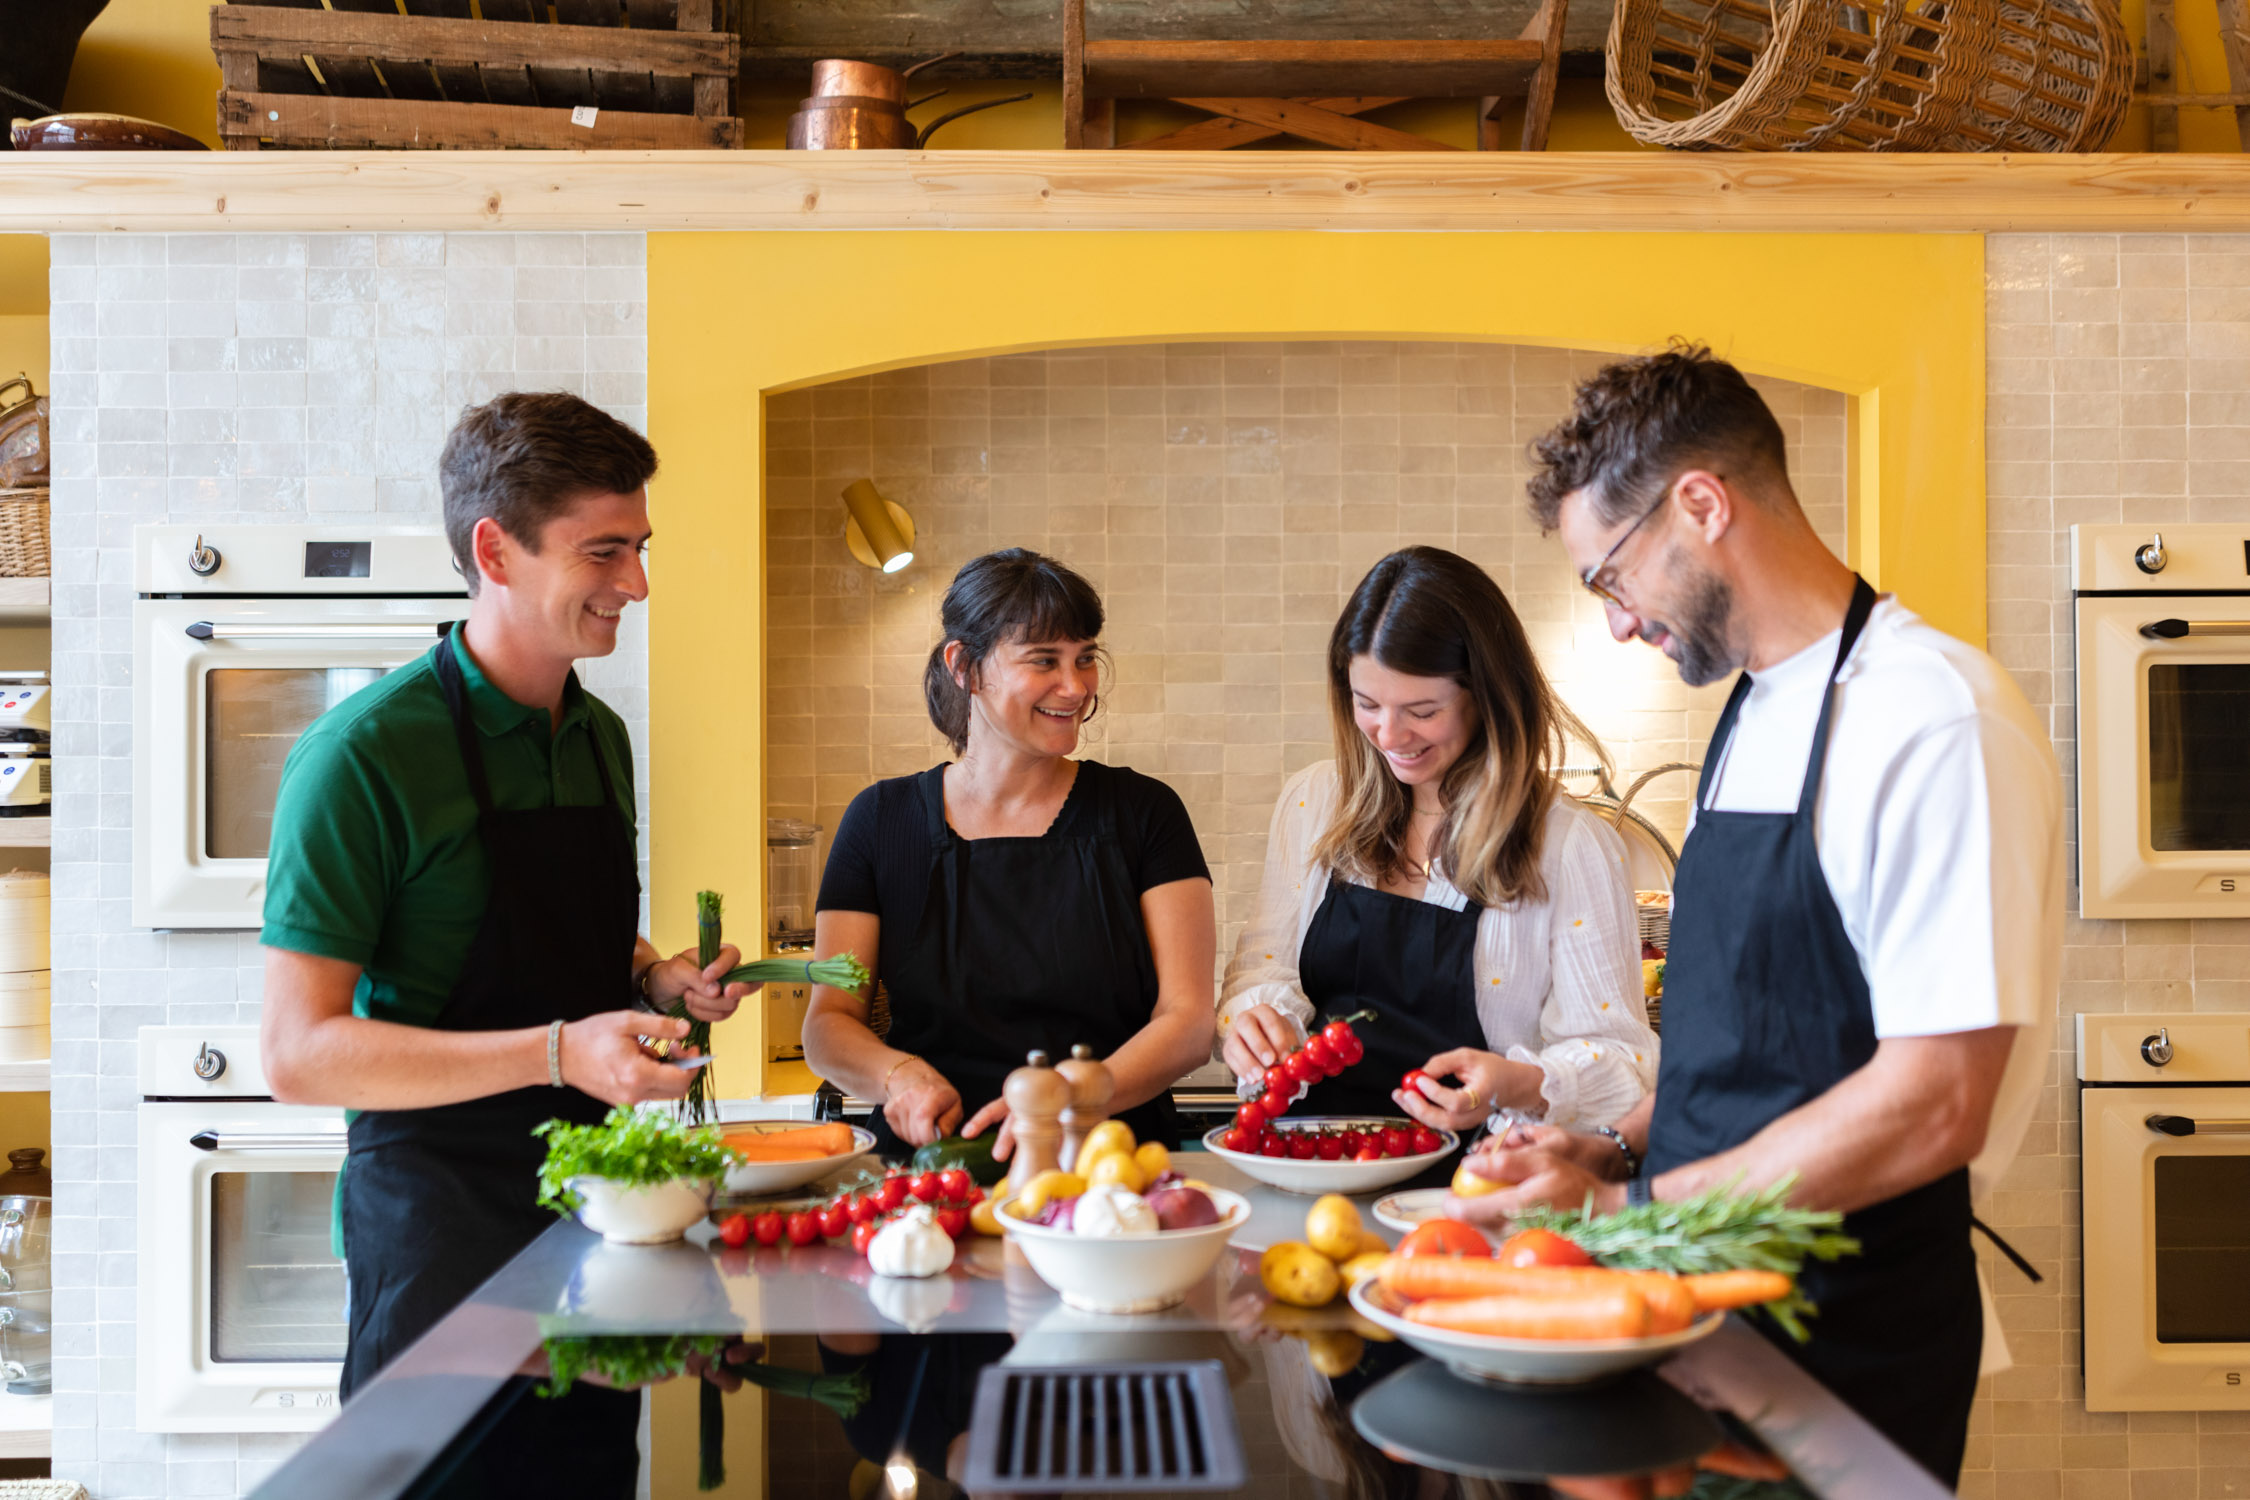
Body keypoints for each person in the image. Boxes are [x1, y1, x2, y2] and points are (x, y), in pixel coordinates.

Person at [1459, 344, 2061, 1485]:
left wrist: (1631, 1209)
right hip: (1698, 1322)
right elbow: (1744, 1036)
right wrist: (1616, 1141)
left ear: (1701, 502)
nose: (1619, 622)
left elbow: (1935, 1103)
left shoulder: (1934, 720)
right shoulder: (1754, 711)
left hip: (1839, 1345)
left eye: (1609, 577)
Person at [259, 393, 757, 1494]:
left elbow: (543, 922)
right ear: (495, 549)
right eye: (604, 550)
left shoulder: (597, 732)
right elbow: (298, 1052)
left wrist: (649, 973)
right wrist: (560, 1054)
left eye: (639, 547)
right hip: (442, 1238)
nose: (636, 583)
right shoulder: (362, 757)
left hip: (599, 1224)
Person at [1219, 547, 1656, 1134]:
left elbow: (1624, 1060)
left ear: (1488, 696)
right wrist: (1257, 1022)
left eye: (1422, 710)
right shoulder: (1313, 803)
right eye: (1367, 704)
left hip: (1480, 1187)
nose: (1390, 735)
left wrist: (1521, 1083)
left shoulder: (1569, 844)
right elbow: (1262, 976)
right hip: (1315, 1169)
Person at [805, 548, 1216, 1159]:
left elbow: (1187, 1022)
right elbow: (829, 1021)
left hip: (1108, 1169)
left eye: (1085, 660)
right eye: (1044, 661)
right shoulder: (880, 820)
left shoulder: (1144, 812)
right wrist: (899, 1076)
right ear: (964, 666)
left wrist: (1079, 1096)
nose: (1074, 687)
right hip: (931, 1165)